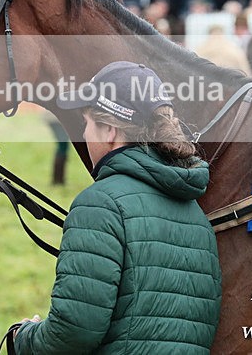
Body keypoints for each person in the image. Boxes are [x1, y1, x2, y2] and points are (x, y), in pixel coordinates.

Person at [13, 61, 221, 354]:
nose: (85, 135)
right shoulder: (196, 215)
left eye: (87, 124)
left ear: (110, 130)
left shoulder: (99, 205)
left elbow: (73, 332)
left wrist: (23, 338)